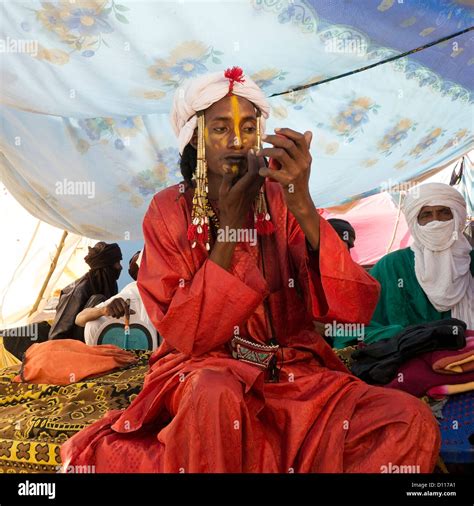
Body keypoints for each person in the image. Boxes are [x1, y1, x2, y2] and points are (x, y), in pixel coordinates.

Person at [61, 67, 440, 473]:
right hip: (203, 370)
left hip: (293, 372)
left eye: (247, 127)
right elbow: (188, 335)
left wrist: (302, 201)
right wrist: (232, 224)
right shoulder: (169, 210)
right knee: (214, 394)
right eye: (221, 129)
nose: (238, 142)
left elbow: (351, 308)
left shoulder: (280, 198)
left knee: (409, 419)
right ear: (196, 139)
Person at [334, 182, 473, 348]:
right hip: (408, 362)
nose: (436, 221)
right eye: (427, 215)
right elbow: (352, 329)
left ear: (457, 216)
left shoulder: (471, 262)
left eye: (444, 213)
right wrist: (409, 336)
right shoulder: (391, 266)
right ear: (415, 222)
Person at [75, 251, 160, 350]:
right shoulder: (132, 294)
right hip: (140, 358)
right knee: (93, 323)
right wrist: (104, 310)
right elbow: (79, 319)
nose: (120, 268)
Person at [48, 241, 123, 341]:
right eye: (117, 263)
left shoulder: (110, 285)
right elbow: (56, 335)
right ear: (105, 266)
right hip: (75, 346)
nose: (120, 267)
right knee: (98, 300)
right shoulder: (78, 290)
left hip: (100, 341)